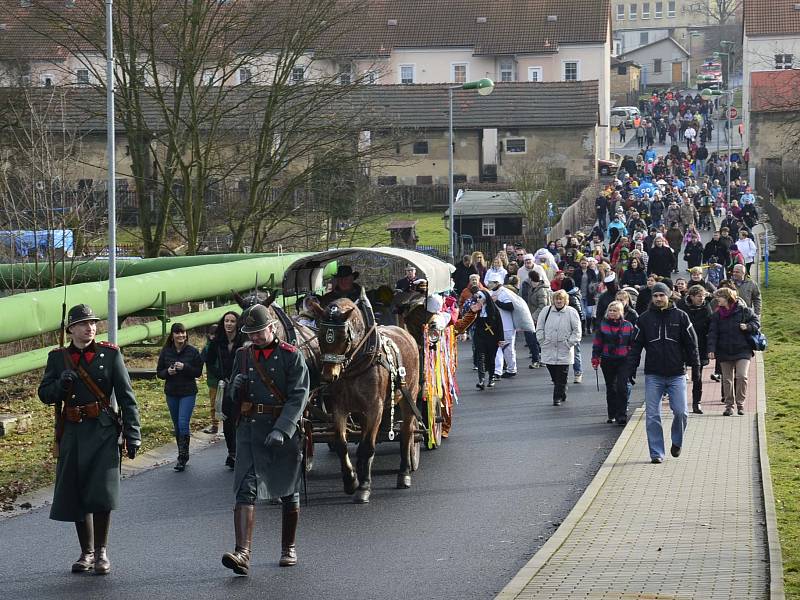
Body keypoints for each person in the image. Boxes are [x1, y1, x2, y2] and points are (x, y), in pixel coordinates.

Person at [37, 304, 141, 574]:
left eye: (93, 323)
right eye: (83, 324)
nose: (90, 327)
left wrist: (133, 433)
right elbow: (45, 394)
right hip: (72, 432)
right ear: (71, 329)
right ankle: (86, 552)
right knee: (77, 492)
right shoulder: (58, 358)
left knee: (101, 492)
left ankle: (102, 553)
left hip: (103, 430)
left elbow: (127, 398)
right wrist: (60, 384)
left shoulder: (110, 354)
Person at [222, 303, 309, 574]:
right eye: (251, 333)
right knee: (244, 488)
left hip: (284, 429)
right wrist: (233, 390)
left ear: (272, 328)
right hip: (250, 429)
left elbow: (299, 395)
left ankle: (288, 548)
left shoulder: (291, 356)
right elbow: (230, 403)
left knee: (287, 489)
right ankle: (242, 553)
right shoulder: (243, 355)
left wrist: (283, 429)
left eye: (260, 331)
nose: (256, 337)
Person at [626, 282, 700, 463]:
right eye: (655, 296)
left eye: (662, 295)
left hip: (677, 374)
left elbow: (692, 345)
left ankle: (677, 441)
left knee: (681, 412)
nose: (658, 299)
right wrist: (631, 369)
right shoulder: (644, 319)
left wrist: (696, 368)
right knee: (652, 415)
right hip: (654, 374)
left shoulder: (681, 317)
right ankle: (656, 453)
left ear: (669, 296)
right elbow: (635, 346)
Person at [157, 323, 204, 472]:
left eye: (183, 333)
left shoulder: (192, 351)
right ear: (172, 335)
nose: (180, 336)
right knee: (177, 425)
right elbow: (159, 372)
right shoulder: (166, 351)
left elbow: (198, 372)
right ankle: (181, 451)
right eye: (177, 333)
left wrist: (185, 367)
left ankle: (182, 457)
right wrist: (167, 372)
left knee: (183, 422)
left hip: (188, 392)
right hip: (172, 392)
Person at [707, 287, 760, 416]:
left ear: (727, 297)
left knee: (742, 376)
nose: (717, 299)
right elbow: (713, 333)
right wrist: (711, 350)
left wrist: (748, 327)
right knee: (727, 379)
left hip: (743, 350)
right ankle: (729, 406)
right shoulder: (717, 315)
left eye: (719, 296)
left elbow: (756, 323)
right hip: (724, 351)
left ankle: (740, 404)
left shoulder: (744, 311)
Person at [204, 311, 245, 469]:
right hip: (225, 385)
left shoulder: (243, 341)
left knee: (241, 418)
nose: (229, 324)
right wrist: (221, 376)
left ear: (237, 324)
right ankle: (232, 452)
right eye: (226, 321)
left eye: (232, 321)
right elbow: (209, 361)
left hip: (241, 384)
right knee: (227, 420)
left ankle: (242, 451)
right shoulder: (217, 342)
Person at [592, 301, 635, 425]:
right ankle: (612, 413)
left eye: (615, 310)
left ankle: (621, 415)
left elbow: (633, 344)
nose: (612, 312)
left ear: (621, 312)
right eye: (610, 310)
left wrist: (633, 359)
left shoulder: (628, 326)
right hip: (607, 359)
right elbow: (597, 343)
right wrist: (595, 357)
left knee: (622, 387)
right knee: (611, 388)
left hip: (624, 360)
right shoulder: (602, 325)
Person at [536, 290, 582, 406]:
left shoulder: (571, 312)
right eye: (556, 299)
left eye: (561, 299)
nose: (558, 301)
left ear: (565, 300)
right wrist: (542, 341)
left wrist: (569, 343)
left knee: (562, 374)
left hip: (564, 348)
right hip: (549, 347)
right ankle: (562, 390)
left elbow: (577, 331)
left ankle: (557, 397)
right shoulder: (546, 311)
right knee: (554, 374)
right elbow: (539, 327)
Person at [677, 285, 713, 414]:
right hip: (682, 345)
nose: (702, 299)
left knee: (697, 377)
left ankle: (696, 402)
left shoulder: (706, 308)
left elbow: (711, 327)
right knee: (679, 376)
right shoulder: (681, 306)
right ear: (691, 296)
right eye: (699, 296)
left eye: (703, 296)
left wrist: (710, 347)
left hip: (700, 346)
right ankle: (679, 402)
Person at [472, 290, 504, 390]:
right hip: (480, 337)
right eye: (477, 298)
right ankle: (481, 380)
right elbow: (468, 320)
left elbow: (499, 325)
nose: (478, 300)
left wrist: (501, 339)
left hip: (492, 338)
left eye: (480, 297)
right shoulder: (476, 310)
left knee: (491, 358)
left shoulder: (494, 310)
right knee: (480, 358)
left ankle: (491, 377)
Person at [487, 274, 517, 378]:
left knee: (508, 349)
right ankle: (497, 371)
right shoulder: (491, 293)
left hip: (507, 325)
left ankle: (511, 369)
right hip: (496, 326)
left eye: (491, 282)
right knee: (497, 348)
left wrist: (497, 302)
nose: (489, 284)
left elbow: (510, 306)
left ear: (497, 283)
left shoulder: (504, 293)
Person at [525, 271, 551, 369]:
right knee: (534, 340)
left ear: (532, 279)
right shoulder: (532, 288)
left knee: (536, 339)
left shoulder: (541, 290)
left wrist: (533, 317)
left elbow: (543, 305)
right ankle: (539, 358)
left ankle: (538, 360)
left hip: (539, 318)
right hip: (533, 317)